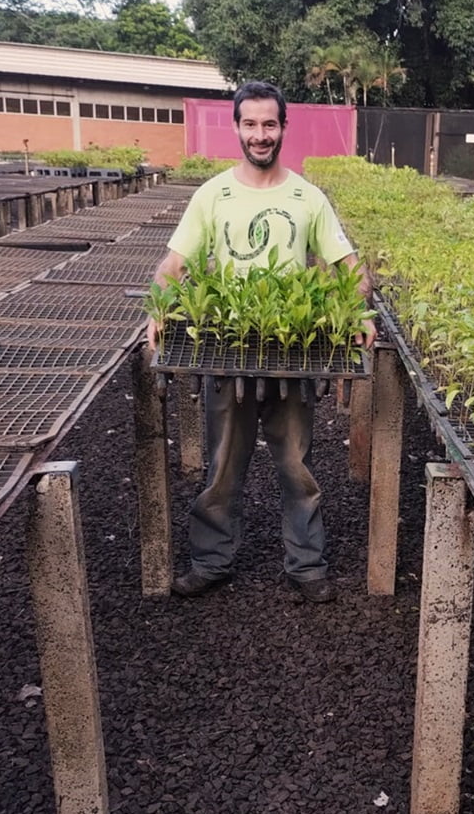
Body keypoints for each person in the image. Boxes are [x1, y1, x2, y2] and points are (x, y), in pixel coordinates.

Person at [146, 81, 376, 602]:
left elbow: (348, 267)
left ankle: (306, 566)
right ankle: (212, 561)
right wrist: (160, 308)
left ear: (283, 128)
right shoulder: (212, 194)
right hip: (227, 352)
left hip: (292, 353)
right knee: (222, 464)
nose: (260, 134)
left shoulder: (307, 197)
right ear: (236, 128)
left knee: (297, 466)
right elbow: (174, 265)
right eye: (250, 124)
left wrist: (358, 308)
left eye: (269, 124)